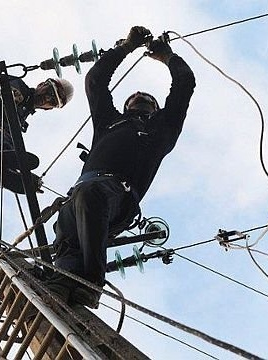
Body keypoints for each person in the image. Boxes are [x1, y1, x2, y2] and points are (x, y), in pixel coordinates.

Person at [47, 26, 196, 308]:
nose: (140, 95)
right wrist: (126, 48)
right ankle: (63, 286)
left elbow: (185, 83)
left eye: (148, 99)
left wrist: (168, 57)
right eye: (134, 96)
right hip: (79, 196)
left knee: (90, 196)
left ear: (155, 109)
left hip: (117, 196)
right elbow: (95, 81)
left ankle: (92, 284)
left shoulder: (162, 131)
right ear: (126, 106)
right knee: (67, 240)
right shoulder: (108, 123)